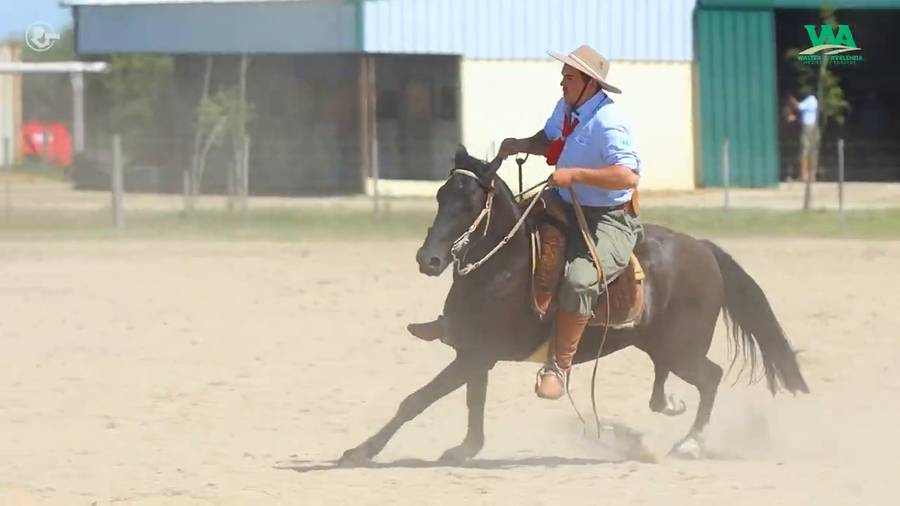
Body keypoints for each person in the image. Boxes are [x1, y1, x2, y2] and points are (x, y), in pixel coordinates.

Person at [497, 45, 643, 400]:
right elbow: (549, 139)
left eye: (569, 77)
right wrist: (519, 145)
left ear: (590, 83)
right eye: (563, 76)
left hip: (607, 219)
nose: (562, 82)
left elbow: (628, 176)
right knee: (505, 233)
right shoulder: (567, 109)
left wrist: (575, 174)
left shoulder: (609, 121)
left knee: (579, 281)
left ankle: (558, 369)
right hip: (563, 202)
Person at [786, 92, 819, 181]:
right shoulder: (811, 101)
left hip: (808, 129)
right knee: (812, 151)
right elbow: (805, 116)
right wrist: (795, 118)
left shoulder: (810, 100)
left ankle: (804, 176)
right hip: (810, 127)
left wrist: (792, 100)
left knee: (805, 151)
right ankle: (811, 176)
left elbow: (798, 107)